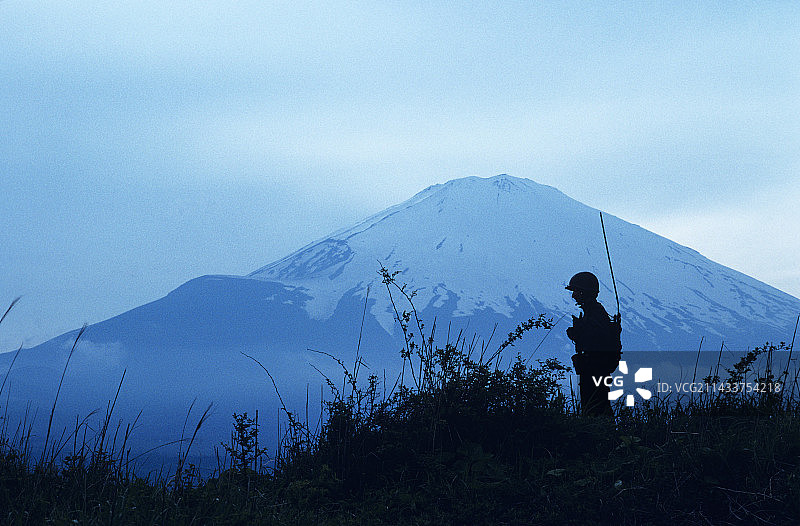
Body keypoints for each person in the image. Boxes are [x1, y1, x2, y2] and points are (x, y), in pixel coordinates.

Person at [565, 272, 620, 416]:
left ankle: (601, 435)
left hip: (594, 369)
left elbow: (595, 339)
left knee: (594, 406)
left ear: (584, 292)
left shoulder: (595, 313)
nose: (573, 295)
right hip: (594, 368)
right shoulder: (593, 311)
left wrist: (576, 333)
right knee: (597, 405)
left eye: (576, 291)